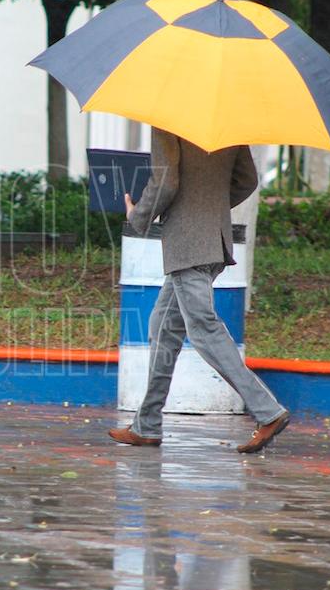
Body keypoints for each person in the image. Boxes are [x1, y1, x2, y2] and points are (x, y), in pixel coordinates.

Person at [108, 129, 290, 453]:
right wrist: (208, 209)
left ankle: (268, 411)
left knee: (204, 329)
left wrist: (137, 216)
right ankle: (147, 424)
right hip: (213, 239)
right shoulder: (227, 119)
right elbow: (247, 181)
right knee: (163, 327)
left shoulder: (168, 121)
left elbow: (166, 183)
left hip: (187, 243)